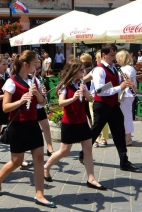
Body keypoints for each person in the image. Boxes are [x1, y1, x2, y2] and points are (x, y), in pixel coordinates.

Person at [0, 50, 56, 208]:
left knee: (39, 159)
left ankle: (40, 194)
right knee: (17, 161)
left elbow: (42, 102)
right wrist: (21, 101)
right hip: (18, 126)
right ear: (26, 64)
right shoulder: (11, 82)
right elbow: (5, 107)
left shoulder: (35, 80)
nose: (37, 66)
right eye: (35, 64)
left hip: (32, 124)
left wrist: (36, 93)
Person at [44, 60, 107, 190]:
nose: (83, 72)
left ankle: (91, 179)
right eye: (81, 70)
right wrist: (73, 98)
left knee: (88, 150)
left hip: (82, 121)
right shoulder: (64, 86)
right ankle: (46, 167)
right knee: (64, 151)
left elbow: (90, 99)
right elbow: (61, 103)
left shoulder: (81, 83)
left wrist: (86, 94)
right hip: (70, 122)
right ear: (73, 71)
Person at [79, 43, 140, 172]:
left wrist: (126, 82)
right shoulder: (99, 70)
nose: (114, 58)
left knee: (119, 133)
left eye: (115, 55)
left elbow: (108, 85)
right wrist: (120, 86)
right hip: (102, 105)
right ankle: (83, 153)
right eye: (112, 55)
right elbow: (100, 90)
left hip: (113, 106)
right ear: (104, 55)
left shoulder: (114, 68)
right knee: (95, 131)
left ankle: (124, 162)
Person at [85, 51, 110, 148]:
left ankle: (100, 138)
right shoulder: (98, 69)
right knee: (98, 119)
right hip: (96, 97)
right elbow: (85, 79)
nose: (95, 60)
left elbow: (110, 85)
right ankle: (99, 138)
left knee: (99, 119)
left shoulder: (102, 69)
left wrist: (98, 91)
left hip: (98, 97)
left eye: (96, 58)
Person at [116, 50, 140, 146]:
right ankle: (126, 137)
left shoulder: (127, 68)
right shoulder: (126, 68)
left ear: (122, 58)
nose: (116, 60)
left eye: (118, 58)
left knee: (126, 117)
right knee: (125, 116)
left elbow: (129, 81)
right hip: (126, 94)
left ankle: (128, 139)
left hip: (126, 94)